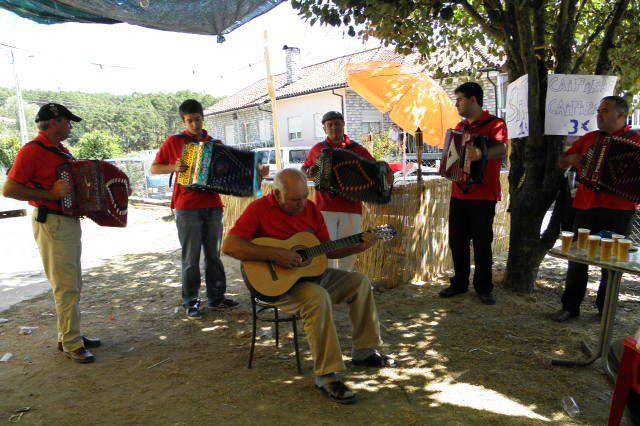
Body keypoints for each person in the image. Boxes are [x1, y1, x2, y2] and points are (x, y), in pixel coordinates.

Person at [222, 169, 395, 404]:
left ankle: (364, 352)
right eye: (295, 200)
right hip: (277, 286)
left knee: (359, 282)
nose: (302, 203)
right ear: (277, 194)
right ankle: (327, 376)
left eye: (305, 196)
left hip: (311, 275)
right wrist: (275, 254)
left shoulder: (311, 209)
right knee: (317, 297)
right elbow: (230, 246)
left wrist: (357, 246)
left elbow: (327, 248)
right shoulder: (258, 210)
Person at [2, 103, 100, 363]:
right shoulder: (32, 151)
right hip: (52, 221)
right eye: (68, 121)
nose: (70, 126)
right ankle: (71, 343)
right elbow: (9, 189)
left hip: (65, 221)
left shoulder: (60, 151)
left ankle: (70, 334)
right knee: (66, 285)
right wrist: (50, 195)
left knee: (72, 283)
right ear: (55, 121)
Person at [552, 96, 640, 322]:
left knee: (612, 263)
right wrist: (571, 158)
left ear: (621, 116)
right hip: (586, 206)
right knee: (577, 259)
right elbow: (561, 162)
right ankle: (570, 306)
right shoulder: (591, 138)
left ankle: (605, 309)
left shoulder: (636, 140)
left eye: (605, 110)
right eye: (598, 110)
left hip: (620, 210)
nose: (599, 114)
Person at [150, 99, 237, 320]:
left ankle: (217, 298)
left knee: (213, 256)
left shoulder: (214, 142)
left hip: (213, 205)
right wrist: (174, 167)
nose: (194, 124)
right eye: (189, 121)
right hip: (187, 207)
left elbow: (225, 171)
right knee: (191, 258)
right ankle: (191, 302)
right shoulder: (174, 141)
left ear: (202, 118)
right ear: (183, 121)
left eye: (197, 119)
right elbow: (155, 167)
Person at [438, 82, 508, 305]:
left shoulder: (495, 124)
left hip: (483, 195)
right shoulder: (460, 128)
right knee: (457, 241)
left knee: (481, 243)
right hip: (459, 193)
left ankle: (484, 288)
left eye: (459, 99)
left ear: (473, 100)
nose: (456, 104)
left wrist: (480, 152)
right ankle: (459, 283)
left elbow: (503, 149)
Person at [301, 111, 384, 271]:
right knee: (325, 249)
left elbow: (374, 169)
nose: (334, 127)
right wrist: (309, 171)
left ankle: (345, 283)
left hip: (351, 207)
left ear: (343, 125)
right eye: (329, 125)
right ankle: (328, 282)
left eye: (337, 123)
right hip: (324, 207)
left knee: (350, 251)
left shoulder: (357, 149)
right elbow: (304, 167)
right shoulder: (318, 149)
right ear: (324, 128)